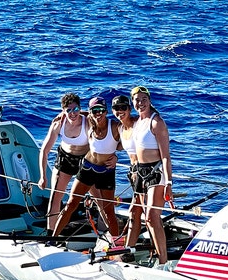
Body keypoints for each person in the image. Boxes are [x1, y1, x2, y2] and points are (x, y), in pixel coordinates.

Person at [53, 97, 121, 237]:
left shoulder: (114, 126)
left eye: (102, 110)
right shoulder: (89, 121)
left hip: (106, 172)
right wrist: (62, 114)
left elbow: (128, 140)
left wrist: (116, 157)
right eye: (95, 110)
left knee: (108, 211)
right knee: (71, 204)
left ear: (106, 111)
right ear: (91, 112)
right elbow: (77, 113)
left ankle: (117, 245)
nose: (99, 114)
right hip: (87, 168)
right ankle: (52, 238)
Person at [38, 93, 100, 236]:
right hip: (65, 160)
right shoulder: (58, 124)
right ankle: (51, 234)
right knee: (55, 197)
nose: (73, 113)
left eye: (76, 109)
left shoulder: (87, 122)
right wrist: (42, 176)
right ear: (63, 111)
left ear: (80, 108)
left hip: (84, 160)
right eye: (69, 110)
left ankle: (106, 232)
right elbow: (44, 151)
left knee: (98, 196)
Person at [131, 86, 173, 264]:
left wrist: (169, 182)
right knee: (142, 217)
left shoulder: (156, 123)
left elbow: (165, 156)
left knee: (151, 217)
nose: (140, 103)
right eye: (137, 100)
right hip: (140, 172)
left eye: (143, 99)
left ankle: (164, 261)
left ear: (149, 100)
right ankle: (155, 253)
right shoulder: (138, 122)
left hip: (156, 173)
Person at [111, 95, 145, 248]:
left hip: (146, 173)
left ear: (130, 109)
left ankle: (130, 249)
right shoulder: (119, 128)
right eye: (117, 109)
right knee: (137, 212)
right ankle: (129, 248)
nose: (120, 111)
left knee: (140, 212)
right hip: (133, 174)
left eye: (123, 108)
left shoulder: (138, 123)